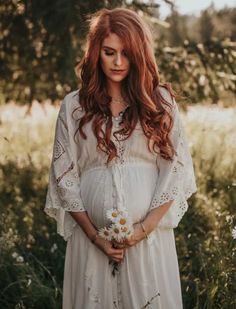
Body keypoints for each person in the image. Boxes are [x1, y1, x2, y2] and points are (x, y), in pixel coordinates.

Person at [44, 7, 197, 309]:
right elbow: (64, 175)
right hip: (92, 245)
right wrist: (93, 235)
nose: (117, 62)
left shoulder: (159, 102)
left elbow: (176, 168)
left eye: (126, 53)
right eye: (109, 52)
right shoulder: (74, 106)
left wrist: (143, 229)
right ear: (95, 53)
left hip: (149, 241)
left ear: (139, 54)